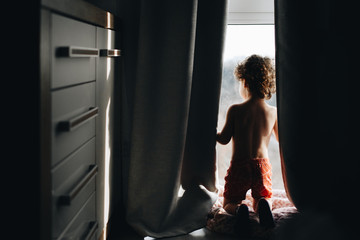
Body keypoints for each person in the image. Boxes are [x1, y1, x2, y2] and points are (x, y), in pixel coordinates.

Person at [217, 54, 277, 229]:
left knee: (227, 202)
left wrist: (213, 133)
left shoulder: (236, 110)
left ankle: (239, 209)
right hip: (262, 166)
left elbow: (224, 139)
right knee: (264, 197)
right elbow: (281, 139)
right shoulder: (273, 112)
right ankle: (262, 206)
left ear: (244, 82)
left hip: (239, 165)